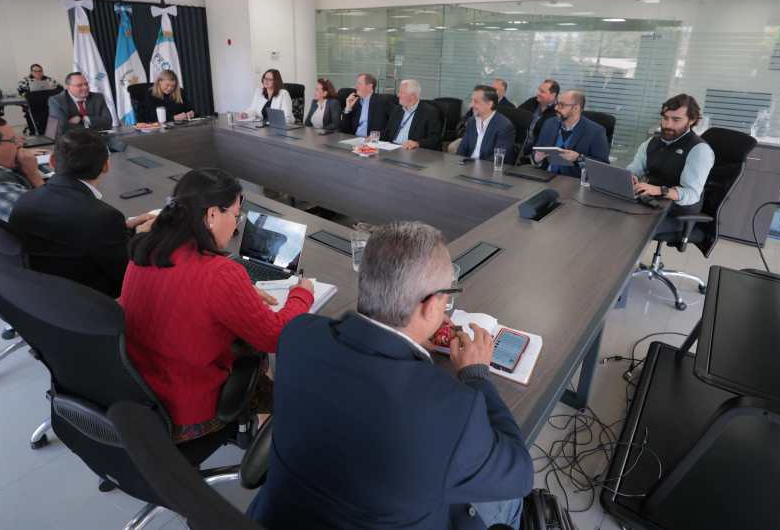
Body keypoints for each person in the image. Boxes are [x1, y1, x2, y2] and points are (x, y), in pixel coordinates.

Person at [249, 221, 533, 530]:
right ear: (431, 306)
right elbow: (520, 474)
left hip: (279, 517)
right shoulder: (452, 409)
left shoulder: (298, 335)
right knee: (509, 503)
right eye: (446, 295)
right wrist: (476, 375)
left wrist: (412, 337)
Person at [120, 168, 314, 443]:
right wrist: (302, 294)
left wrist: (240, 296)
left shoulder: (145, 249)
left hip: (139, 394)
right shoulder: (219, 273)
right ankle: (269, 441)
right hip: (185, 412)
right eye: (235, 216)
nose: (236, 227)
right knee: (254, 349)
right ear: (212, 215)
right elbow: (275, 337)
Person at [9, 129, 155, 297]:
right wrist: (140, 235)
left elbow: (73, 233)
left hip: (41, 293)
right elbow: (126, 272)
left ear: (52, 161)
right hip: (92, 297)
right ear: (106, 166)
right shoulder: (102, 216)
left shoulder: (25, 199)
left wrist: (123, 227)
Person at [627, 93, 715, 238]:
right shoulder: (651, 143)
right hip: (650, 203)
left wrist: (659, 190)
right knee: (610, 215)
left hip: (677, 213)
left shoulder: (699, 150)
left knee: (629, 226)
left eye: (676, 120)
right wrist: (631, 177)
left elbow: (692, 194)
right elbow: (634, 169)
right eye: (665, 118)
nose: (668, 125)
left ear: (692, 120)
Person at [533, 90, 609, 177]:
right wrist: (537, 158)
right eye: (556, 104)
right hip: (546, 177)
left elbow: (602, 167)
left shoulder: (595, 131)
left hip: (572, 181)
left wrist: (578, 158)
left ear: (576, 108)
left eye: (561, 105)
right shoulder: (549, 123)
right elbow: (537, 152)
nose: (556, 108)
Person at [457, 85, 516, 163]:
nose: (471, 105)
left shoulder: (505, 126)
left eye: (476, 101)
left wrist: (475, 167)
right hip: (468, 165)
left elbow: (498, 158)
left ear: (489, 104)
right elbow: (461, 151)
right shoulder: (472, 121)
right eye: (471, 101)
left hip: (487, 168)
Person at [382, 79, 442, 150]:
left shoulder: (429, 112)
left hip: (412, 151)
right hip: (393, 148)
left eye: (402, 93)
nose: (398, 95)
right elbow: (387, 133)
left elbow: (435, 138)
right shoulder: (397, 110)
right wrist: (374, 137)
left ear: (412, 96)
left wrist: (417, 143)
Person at [47, 71, 113, 136]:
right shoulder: (56, 101)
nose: (85, 87)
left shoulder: (98, 97)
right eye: (79, 85)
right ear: (68, 87)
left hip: (95, 139)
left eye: (86, 84)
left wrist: (84, 119)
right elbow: (62, 128)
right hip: (66, 140)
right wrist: (93, 126)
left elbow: (108, 121)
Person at [517, 79, 559, 160]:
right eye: (539, 90)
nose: (538, 93)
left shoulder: (557, 112)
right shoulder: (532, 101)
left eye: (542, 92)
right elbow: (516, 117)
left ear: (553, 95)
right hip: (518, 145)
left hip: (536, 154)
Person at [341, 73, 391, 137]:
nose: (356, 87)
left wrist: (377, 136)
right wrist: (348, 108)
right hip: (354, 139)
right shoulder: (355, 102)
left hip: (371, 140)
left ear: (369, 87)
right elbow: (344, 130)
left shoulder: (382, 102)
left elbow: (392, 126)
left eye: (359, 84)